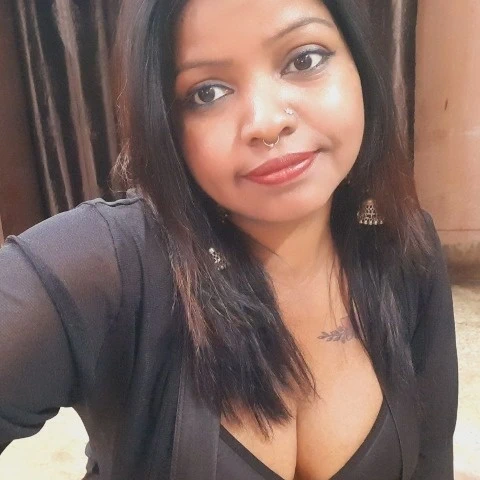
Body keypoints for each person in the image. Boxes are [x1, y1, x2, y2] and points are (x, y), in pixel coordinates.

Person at [0, 0, 458, 479]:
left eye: (304, 59)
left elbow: (431, 463)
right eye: (208, 92)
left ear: (360, 63)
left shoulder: (404, 245)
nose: (266, 122)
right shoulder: (104, 267)